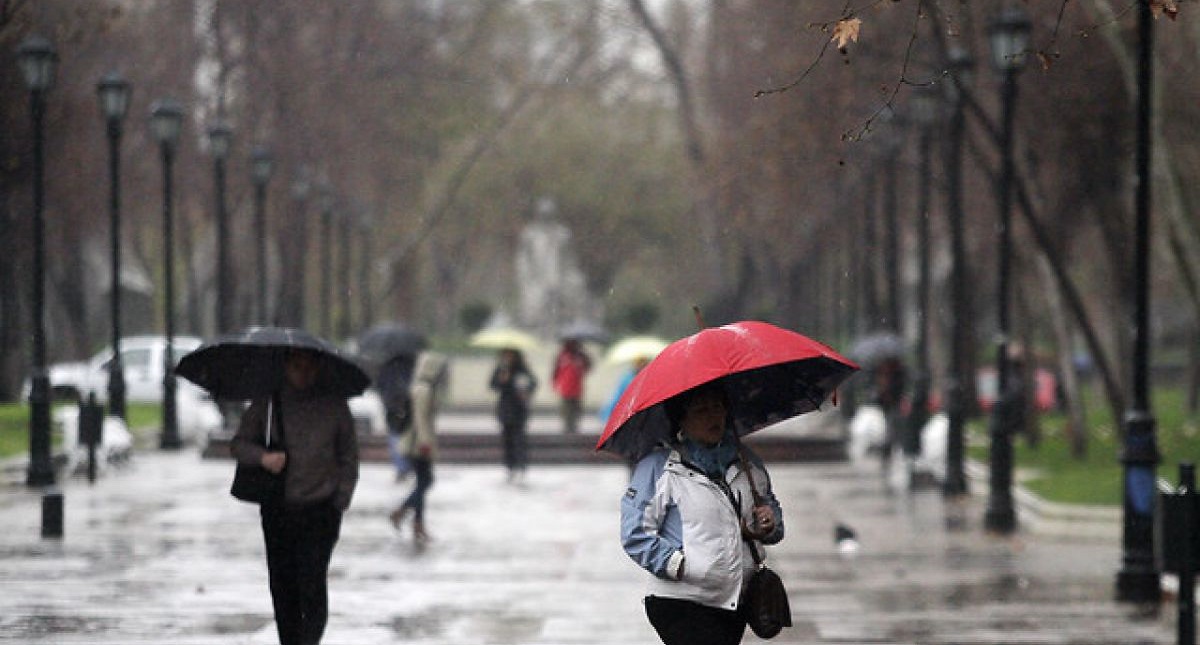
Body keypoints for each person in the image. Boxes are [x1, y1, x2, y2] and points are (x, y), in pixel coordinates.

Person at [620, 381, 783, 645]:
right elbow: (635, 533)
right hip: (681, 601)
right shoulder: (658, 467)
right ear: (681, 421)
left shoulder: (747, 462)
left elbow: (770, 509)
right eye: (701, 410)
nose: (713, 417)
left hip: (735, 601)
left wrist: (769, 522)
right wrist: (682, 565)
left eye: (717, 408)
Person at [229, 349, 359, 645]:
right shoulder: (269, 403)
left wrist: (341, 498)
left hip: (321, 509)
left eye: (309, 367)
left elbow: (348, 456)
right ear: (286, 367)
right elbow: (238, 444)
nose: (303, 374)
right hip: (278, 509)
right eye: (297, 367)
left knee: (312, 583)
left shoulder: (334, 405)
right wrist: (263, 457)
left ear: (319, 369)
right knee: (283, 584)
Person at [389, 351, 448, 544]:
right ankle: (402, 511)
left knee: (422, 482)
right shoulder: (424, 390)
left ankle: (418, 524)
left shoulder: (419, 386)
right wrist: (425, 443)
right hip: (418, 445)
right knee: (426, 481)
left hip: (417, 442)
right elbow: (421, 419)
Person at [489, 348, 538, 484]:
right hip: (505, 409)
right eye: (505, 355)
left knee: (520, 439)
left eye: (510, 355)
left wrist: (525, 389)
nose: (508, 357)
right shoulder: (501, 369)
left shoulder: (522, 370)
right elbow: (493, 385)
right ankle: (509, 466)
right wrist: (501, 380)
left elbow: (533, 383)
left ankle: (521, 465)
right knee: (507, 440)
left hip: (519, 410)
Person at [375, 353, 417, 482]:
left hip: (391, 405)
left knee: (394, 436)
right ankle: (407, 465)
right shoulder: (411, 365)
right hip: (408, 404)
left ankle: (401, 467)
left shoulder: (385, 367)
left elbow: (379, 385)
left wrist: (385, 399)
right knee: (408, 435)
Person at [552, 338, 592, 433]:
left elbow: (589, 366)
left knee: (576, 407)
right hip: (565, 387)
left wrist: (584, 353)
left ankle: (574, 425)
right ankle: (567, 426)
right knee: (566, 408)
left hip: (577, 387)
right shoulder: (562, 356)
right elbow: (556, 370)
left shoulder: (580, 356)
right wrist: (554, 383)